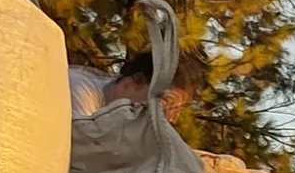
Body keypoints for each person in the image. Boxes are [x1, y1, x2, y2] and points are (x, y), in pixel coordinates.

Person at [68, 44, 205, 120]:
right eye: (165, 102)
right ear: (135, 81)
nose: (169, 119)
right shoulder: (79, 90)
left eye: (175, 109)